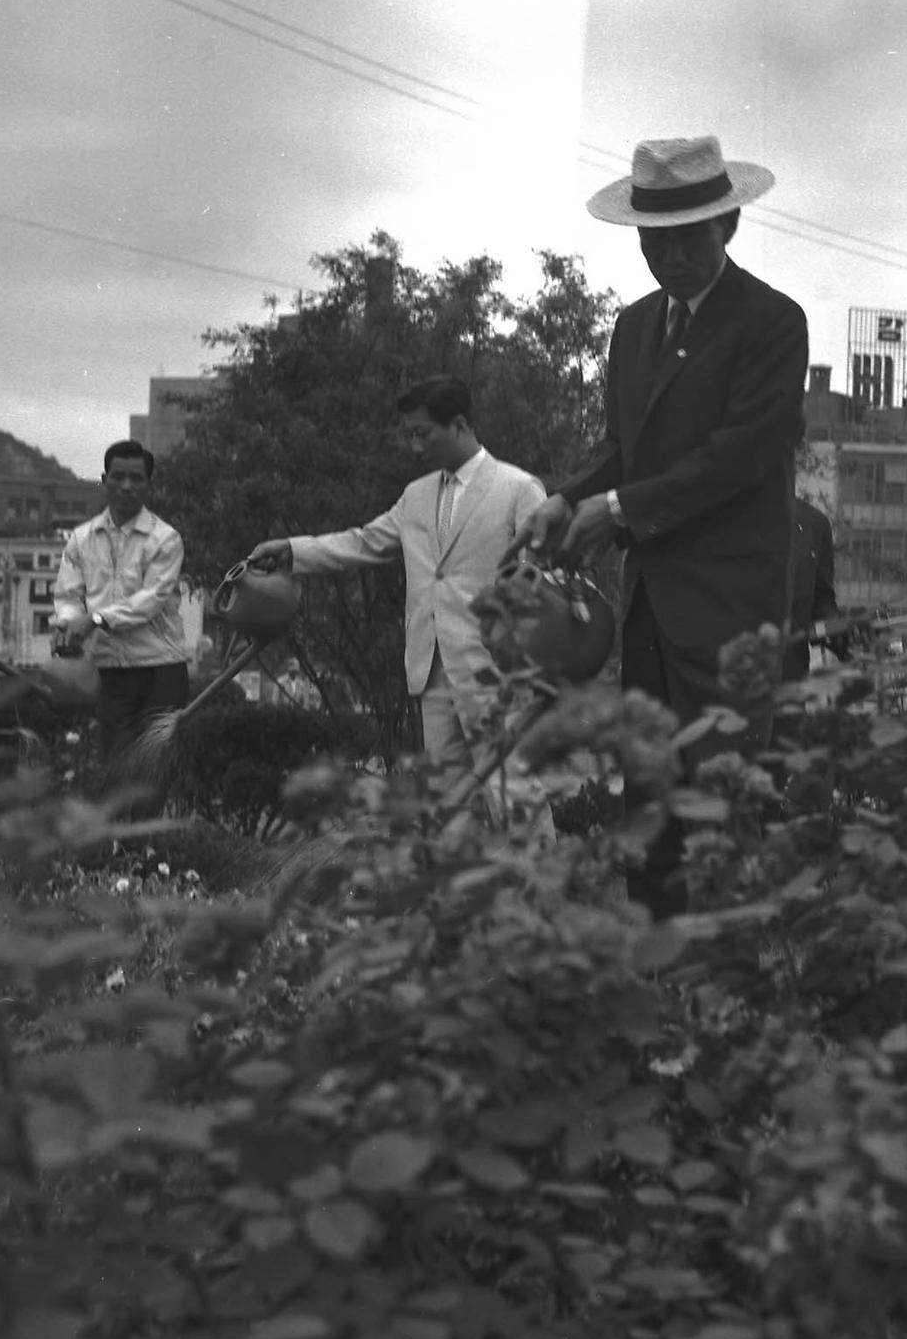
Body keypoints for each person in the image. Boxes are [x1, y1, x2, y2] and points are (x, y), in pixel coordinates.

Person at [513, 135, 809, 912]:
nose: (671, 256)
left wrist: (616, 510)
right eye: (655, 240)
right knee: (647, 799)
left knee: (723, 802)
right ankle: (652, 987)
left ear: (729, 228)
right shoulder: (634, 327)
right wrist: (566, 493)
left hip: (728, 612)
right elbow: (624, 447)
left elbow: (738, 456)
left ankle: (731, 993)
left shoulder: (773, 323)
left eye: (688, 237)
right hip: (650, 606)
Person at [248, 375, 546, 796]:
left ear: (459, 425)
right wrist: (293, 552)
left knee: (512, 791)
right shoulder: (417, 495)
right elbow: (365, 542)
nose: (414, 447)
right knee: (446, 800)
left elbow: (542, 579)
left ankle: (532, 865)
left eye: (422, 434)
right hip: (431, 670)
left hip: (496, 671)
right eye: (410, 435)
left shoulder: (519, 489)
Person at [52, 440, 189, 762]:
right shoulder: (80, 538)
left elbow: (150, 600)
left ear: (148, 485)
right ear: (104, 480)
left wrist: (96, 620)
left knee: (153, 769)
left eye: (136, 478)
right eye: (118, 476)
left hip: (161, 670)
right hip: (107, 671)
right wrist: (69, 624)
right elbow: (68, 595)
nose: (126, 486)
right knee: (114, 769)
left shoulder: (165, 539)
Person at [784, 497, 842, 683]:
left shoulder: (815, 523)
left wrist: (842, 630)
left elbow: (821, 601)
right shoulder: (721, 510)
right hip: (718, 681)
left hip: (789, 681)